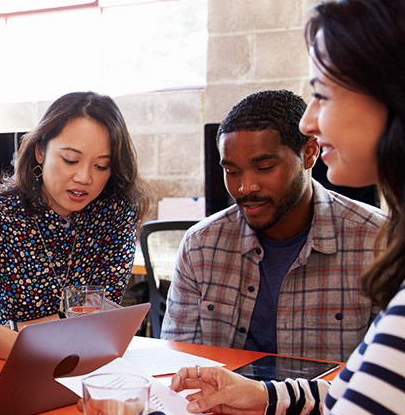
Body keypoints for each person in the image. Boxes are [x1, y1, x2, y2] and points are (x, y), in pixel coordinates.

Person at [145, 0, 405, 415]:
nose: (312, 117)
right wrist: (263, 395)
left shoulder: (381, 245)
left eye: (324, 93)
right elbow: (368, 390)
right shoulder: (202, 242)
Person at [161, 90, 386, 362]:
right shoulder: (201, 245)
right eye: (232, 172)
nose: (246, 187)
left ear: (310, 153)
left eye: (265, 167)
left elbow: (386, 382)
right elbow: (177, 364)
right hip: (217, 405)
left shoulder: (379, 241)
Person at [0, 92, 148, 358]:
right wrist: (58, 333)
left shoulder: (115, 216)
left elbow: (103, 323)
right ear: (40, 151)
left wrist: (15, 329)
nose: (84, 177)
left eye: (101, 166)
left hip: (86, 366)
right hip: (6, 369)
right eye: (70, 159)